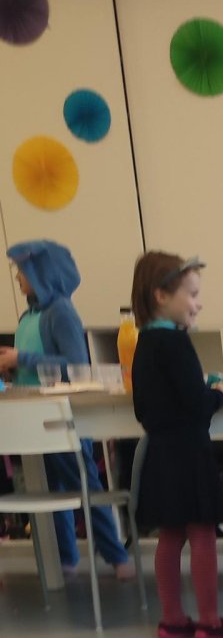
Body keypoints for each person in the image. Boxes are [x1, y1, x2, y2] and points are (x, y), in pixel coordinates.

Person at [0, 240, 134, 580]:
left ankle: (116, 556)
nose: (17, 278)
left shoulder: (61, 312)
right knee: (49, 492)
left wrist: (21, 358)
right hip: (33, 417)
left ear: (42, 273)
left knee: (85, 485)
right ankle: (65, 559)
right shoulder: (29, 316)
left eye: (22, 271)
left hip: (61, 417)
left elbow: (75, 364)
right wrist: (12, 367)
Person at [129, 252, 223, 638]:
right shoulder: (176, 342)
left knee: (170, 535)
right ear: (161, 295)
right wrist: (222, 395)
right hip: (190, 452)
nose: (198, 303)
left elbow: (146, 405)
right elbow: (196, 403)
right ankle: (210, 621)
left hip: (160, 452)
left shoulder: (145, 341)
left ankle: (172, 619)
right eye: (191, 295)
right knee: (203, 534)